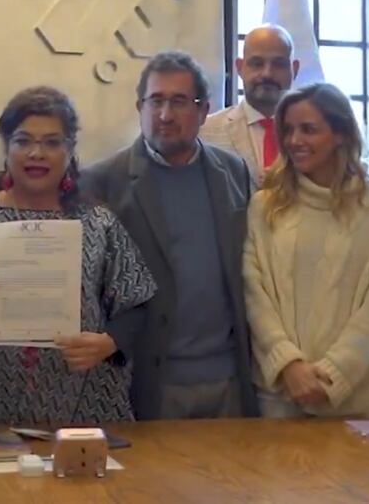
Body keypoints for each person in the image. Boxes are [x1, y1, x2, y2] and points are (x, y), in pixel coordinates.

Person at [0, 86, 155, 425]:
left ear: (71, 150)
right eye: (23, 140)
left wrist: (110, 342)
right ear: (6, 147)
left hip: (81, 405)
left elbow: (138, 303)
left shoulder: (99, 224)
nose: (36, 153)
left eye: (52, 142)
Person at [82, 51, 259, 420]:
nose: (165, 114)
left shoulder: (233, 172)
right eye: (156, 101)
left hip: (230, 378)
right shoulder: (103, 182)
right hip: (149, 379)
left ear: (203, 110)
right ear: (139, 106)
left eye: (179, 102)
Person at [243, 83, 369, 423]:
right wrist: (288, 364)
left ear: (340, 134)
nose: (295, 140)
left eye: (309, 129)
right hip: (281, 394)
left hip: (361, 399)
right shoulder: (266, 203)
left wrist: (334, 373)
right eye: (289, 130)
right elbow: (255, 290)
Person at [200, 24, 299, 184]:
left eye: (278, 64)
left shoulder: (314, 135)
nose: (267, 73)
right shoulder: (205, 133)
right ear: (239, 68)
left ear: (294, 69)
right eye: (257, 63)